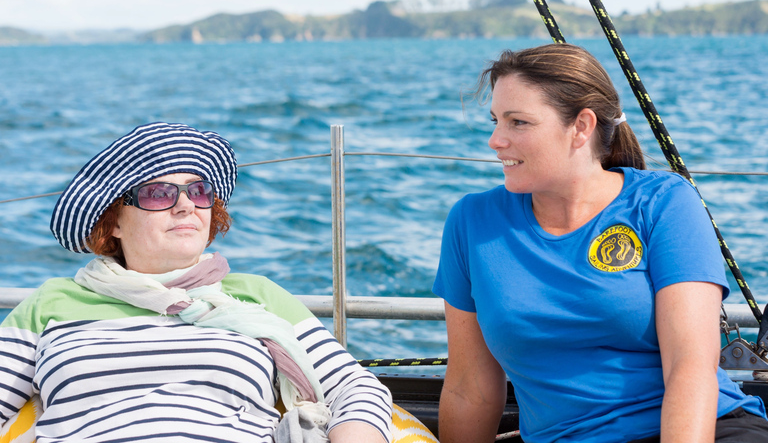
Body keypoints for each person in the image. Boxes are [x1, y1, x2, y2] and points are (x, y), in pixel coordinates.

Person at [432, 43, 768, 443]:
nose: (495, 140)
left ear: (582, 126)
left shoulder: (663, 201)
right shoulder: (472, 222)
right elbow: (470, 387)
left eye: (518, 122)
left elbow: (690, 367)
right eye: (495, 121)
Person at [0, 122, 392, 443]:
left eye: (198, 191)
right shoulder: (54, 301)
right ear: (114, 220)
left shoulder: (254, 295)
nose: (186, 205)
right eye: (159, 193)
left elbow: (354, 387)